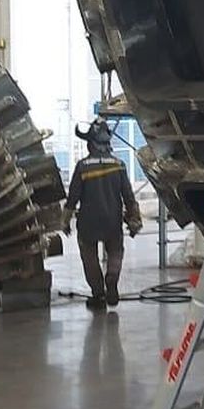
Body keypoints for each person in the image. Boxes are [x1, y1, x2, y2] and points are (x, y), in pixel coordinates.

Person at [62, 119, 143, 310]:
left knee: (89, 256)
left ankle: (98, 294)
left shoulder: (83, 167)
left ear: (91, 143)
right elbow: (129, 197)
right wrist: (134, 220)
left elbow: (72, 198)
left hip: (88, 223)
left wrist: (64, 221)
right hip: (112, 220)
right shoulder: (119, 165)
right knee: (115, 251)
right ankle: (112, 277)